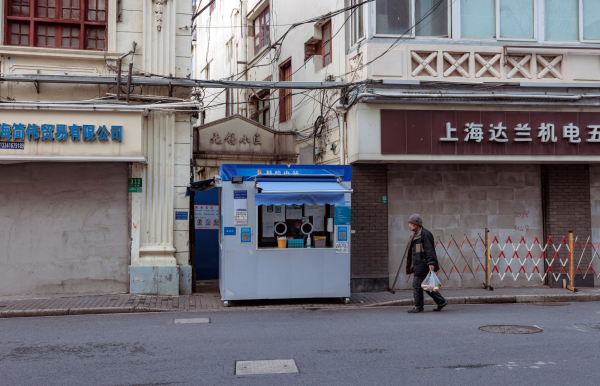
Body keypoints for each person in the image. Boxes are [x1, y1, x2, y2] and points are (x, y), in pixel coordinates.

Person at [405, 214, 448, 313]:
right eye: (409, 223)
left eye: (411, 223)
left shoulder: (425, 234)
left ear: (417, 224)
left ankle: (419, 307)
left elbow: (429, 249)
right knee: (426, 286)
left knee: (417, 285)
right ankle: (441, 301)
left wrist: (431, 262)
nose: (409, 225)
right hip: (419, 264)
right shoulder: (416, 235)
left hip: (423, 264)